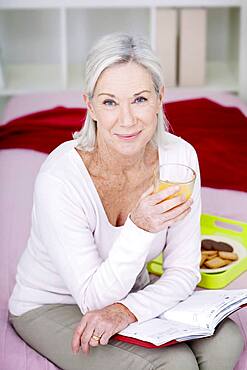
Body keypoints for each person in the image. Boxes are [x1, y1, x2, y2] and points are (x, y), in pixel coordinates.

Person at [8, 32, 244, 370]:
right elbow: (93, 299)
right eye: (109, 102)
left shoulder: (179, 160)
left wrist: (129, 310)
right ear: (89, 105)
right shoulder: (60, 177)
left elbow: (183, 271)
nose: (128, 119)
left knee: (227, 342)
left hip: (130, 294)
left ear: (160, 98)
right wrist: (140, 225)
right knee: (175, 364)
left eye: (140, 99)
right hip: (53, 303)